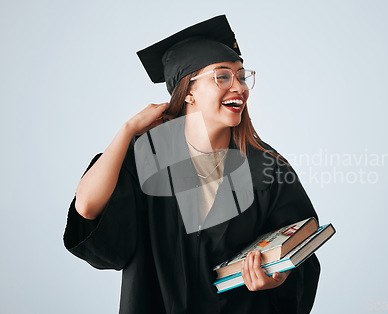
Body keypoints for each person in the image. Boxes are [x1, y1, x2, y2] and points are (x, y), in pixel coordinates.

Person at [63, 15, 321, 314]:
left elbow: (300, 252)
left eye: (241, 76)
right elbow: (88, 207)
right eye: (222, 76)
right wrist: (128, 130)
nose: (238, 87)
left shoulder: (268, 168)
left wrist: (278, 279)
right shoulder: (149, 155)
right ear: (188, 92)